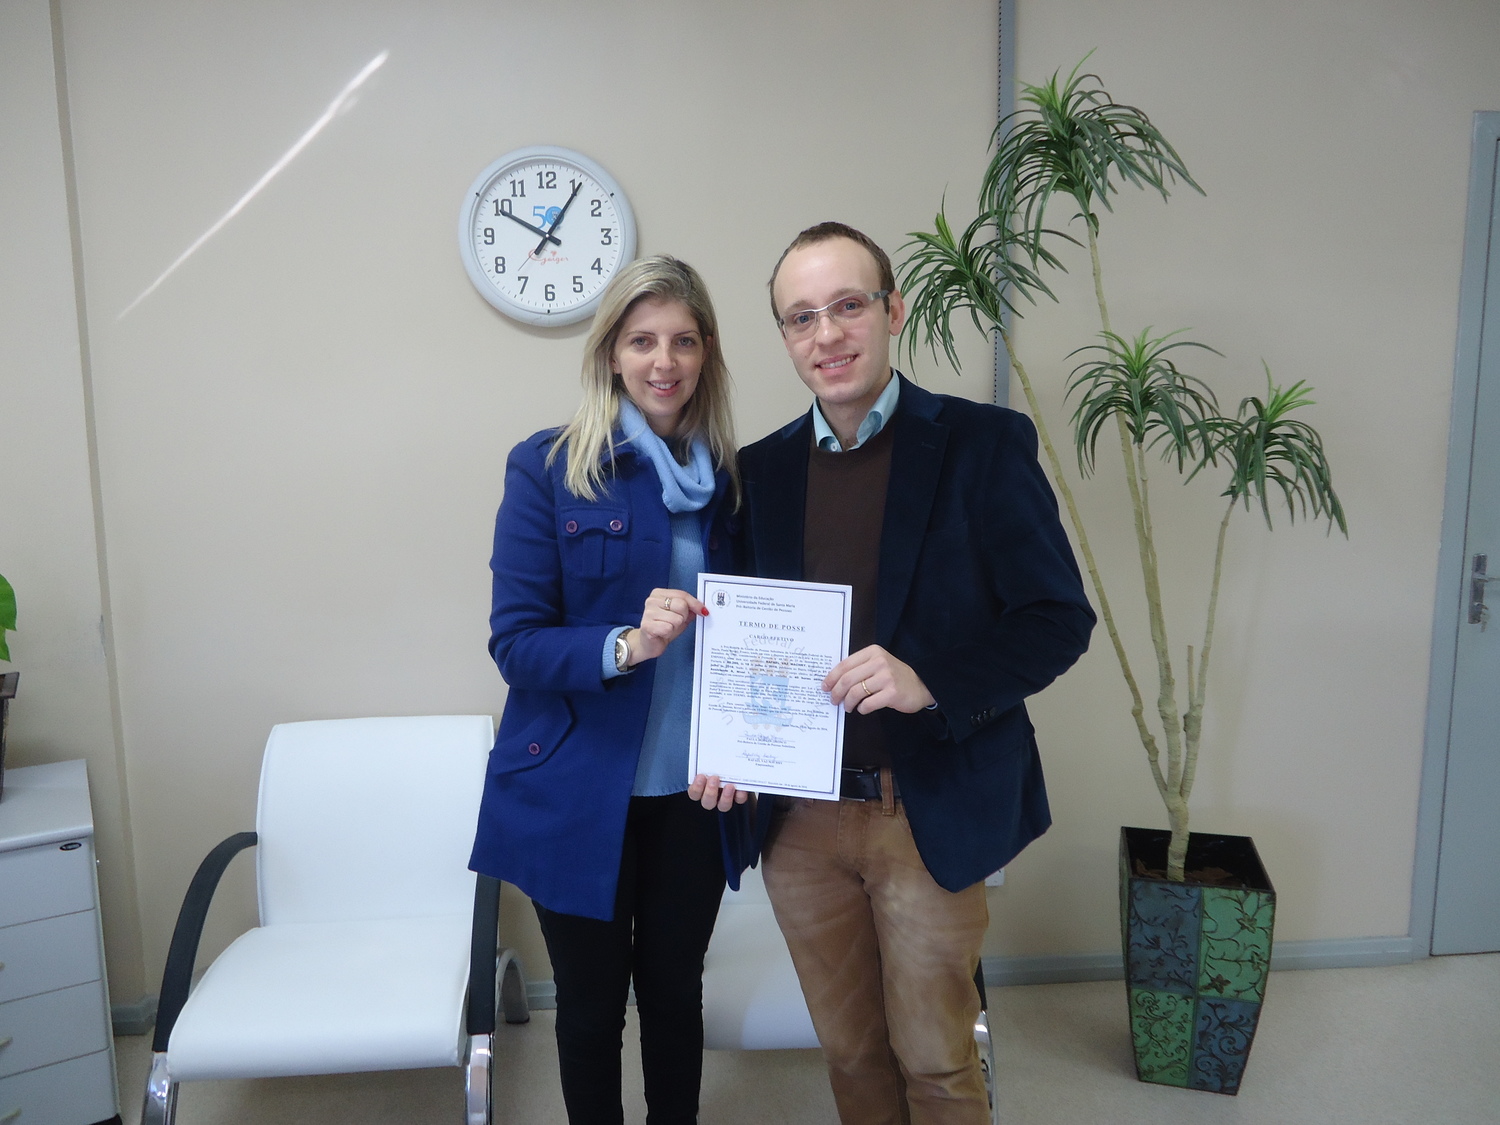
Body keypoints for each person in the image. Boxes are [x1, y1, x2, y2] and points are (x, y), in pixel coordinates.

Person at [719, 222, 1095, 1124]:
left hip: (924, 808)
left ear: (892, 311)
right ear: (785, 337)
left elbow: (1057, 619)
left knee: (934, 1061)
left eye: (848, 305)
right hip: (800, 820)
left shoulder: (982, 444)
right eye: (802, 316)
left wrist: (932, 680)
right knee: (851, 1054)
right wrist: (726, 741)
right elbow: (745, 640)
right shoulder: (760, 472)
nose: (827, 333)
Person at [469, 256, 750, 1125]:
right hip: (576, 789)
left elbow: (758, 642)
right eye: (641, 341)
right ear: (610, 354)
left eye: (684, 341)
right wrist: (625, 643)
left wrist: (747, 748)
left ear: (706, 353)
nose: (664, 361)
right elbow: (516, 644)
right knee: (591, 1008)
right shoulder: (550, 466)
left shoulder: (736, 482)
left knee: (674, 992)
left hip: (694, 791)